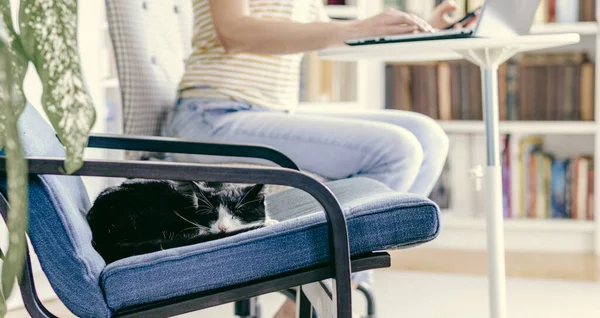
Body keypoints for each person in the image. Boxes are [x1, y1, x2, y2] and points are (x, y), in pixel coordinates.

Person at [163, 0, 463, 316]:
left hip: (267, 113)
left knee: (427, 136)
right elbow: (234, 31)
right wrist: (353, 27)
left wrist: (417, 30)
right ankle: (322, 297)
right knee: (397, 150)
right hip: (213, 117)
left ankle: (316, 296)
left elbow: (323, 34)